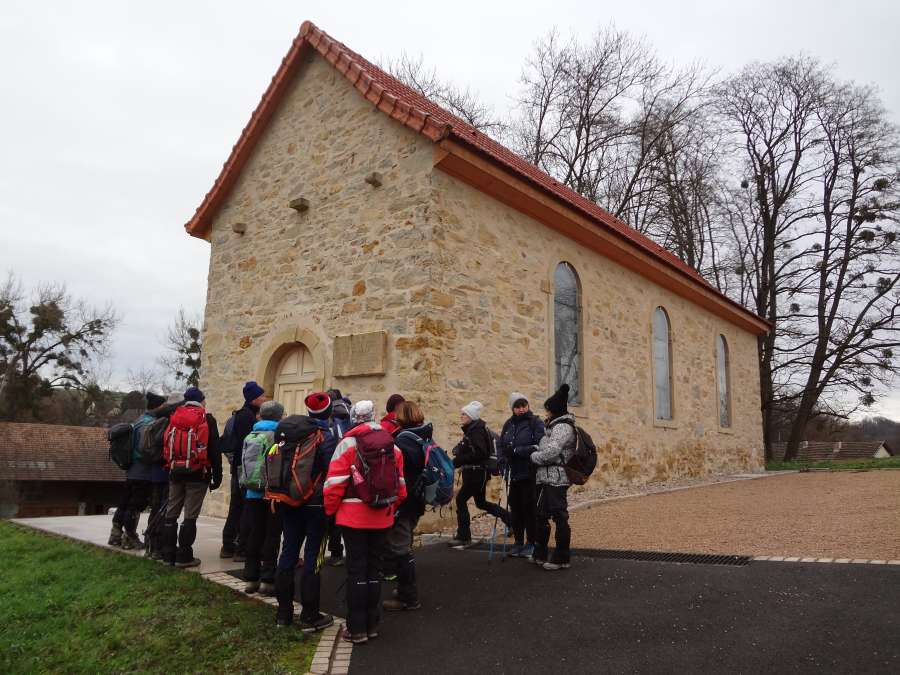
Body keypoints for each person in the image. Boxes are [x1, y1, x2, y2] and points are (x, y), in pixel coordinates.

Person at [324, 400, 407, 644]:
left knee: (356, 570)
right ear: (374, 416)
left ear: (354, 417)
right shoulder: (393, 446)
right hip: (382, 516)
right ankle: (373, 624)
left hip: (352, 517)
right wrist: (390, 508)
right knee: (374, 570)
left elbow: (334, 484)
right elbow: (401, 488)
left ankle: (356, 628)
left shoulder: (347, 444)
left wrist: (330, 512)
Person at [273, 393, 338, 632]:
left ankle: (283, 614)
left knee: (288, 552)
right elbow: (332, 471)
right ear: (329, 413)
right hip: (316, 505)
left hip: (289, 500)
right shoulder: (326, 436)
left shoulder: (289, 433)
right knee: (314, 557)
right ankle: (310, 616)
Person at [161, 387, 222, 568]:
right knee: (190, 516)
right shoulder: (207, 419)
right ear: (201, 400)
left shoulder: (174, 417)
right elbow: (214, 449)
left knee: (171, 514)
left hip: (175, 472)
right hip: (197, 473)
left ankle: (168, 554)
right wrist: (217, 476)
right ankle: (184, 555)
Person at [383, 400, 429, 611]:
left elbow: (397, 472)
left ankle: (409, 597)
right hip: (417, 497)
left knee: (401, 548)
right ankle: (404, 589)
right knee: (405, 542)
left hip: (405, 499)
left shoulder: (403, 440)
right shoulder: (423, 434)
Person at [108, 391, 166, 549]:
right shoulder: (151, 424)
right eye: (163, 405)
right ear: (158, 407)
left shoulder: (140, 420)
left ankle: (115, 534)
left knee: (125, 503)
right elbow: (146, 449)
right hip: (143, 471)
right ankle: (130, 537)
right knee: (135, 505)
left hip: (132, 470)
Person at [449, 401, 511, 547]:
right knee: (481, 503)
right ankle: (511, 520)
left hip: (476, 474)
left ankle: (464, 536)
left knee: (461, 500)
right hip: (477, 474)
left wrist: (459, 460)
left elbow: (481, 453)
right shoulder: (474, 429)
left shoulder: (476, 431)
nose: (461, 416)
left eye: (464, 414)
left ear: (471, 416)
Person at [240, 400, 285, 595]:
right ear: (279, 416)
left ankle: (250, 579)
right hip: (272, 493)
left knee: (254, 534)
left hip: (251, 492)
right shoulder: (278, 435)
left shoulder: (251, 434)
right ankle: (267, 579)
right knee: (272, 535)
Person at [530, 383, 576, 570]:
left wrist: (534, 456)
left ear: (554, 410)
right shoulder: (552, 427)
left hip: (557, 479)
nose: (546, 413)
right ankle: (540, 553)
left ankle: (562, 557)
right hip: (545, 478)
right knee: (541, 516)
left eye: (548, 410)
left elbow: (551, 451)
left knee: (559, 516)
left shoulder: (562, 428)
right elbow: (547, 448)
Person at [221, 380, 267, 560]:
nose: (264, 398)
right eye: (262, 396)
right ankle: (241, 548)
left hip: (237, 468)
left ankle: (227, 545)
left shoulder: (239, 415)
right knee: (246, 508)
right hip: (245, 469)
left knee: (236, 507)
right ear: (254, 399)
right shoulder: (248, 417)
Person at [499, 392, 545, 559]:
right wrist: (502, 464)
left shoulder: (535, 422)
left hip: (529, 473)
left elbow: (539, 445)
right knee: (516, 509)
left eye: (523, 405)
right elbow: (501, 447)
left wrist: (518, 451)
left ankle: (531, 542)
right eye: (517, 406)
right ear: (512, 408)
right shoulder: (508, 425)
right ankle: (518, 542)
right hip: (512, 475)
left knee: (529, 509)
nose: (521, 409)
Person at [144, 392, 182, 559]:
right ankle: (159, 546)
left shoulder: (155, 420)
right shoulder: (169, 422)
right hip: (166, 469)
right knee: (164, 509)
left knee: (156, 507)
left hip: (155, 470)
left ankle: (151, 544)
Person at [325, 389, 351, 566]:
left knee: (328, 514)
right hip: (347, 470)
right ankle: (342, 552)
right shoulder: (349, 415)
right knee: (343, 513)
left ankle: (331, 552)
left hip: (328, 471)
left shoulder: (328, 419)